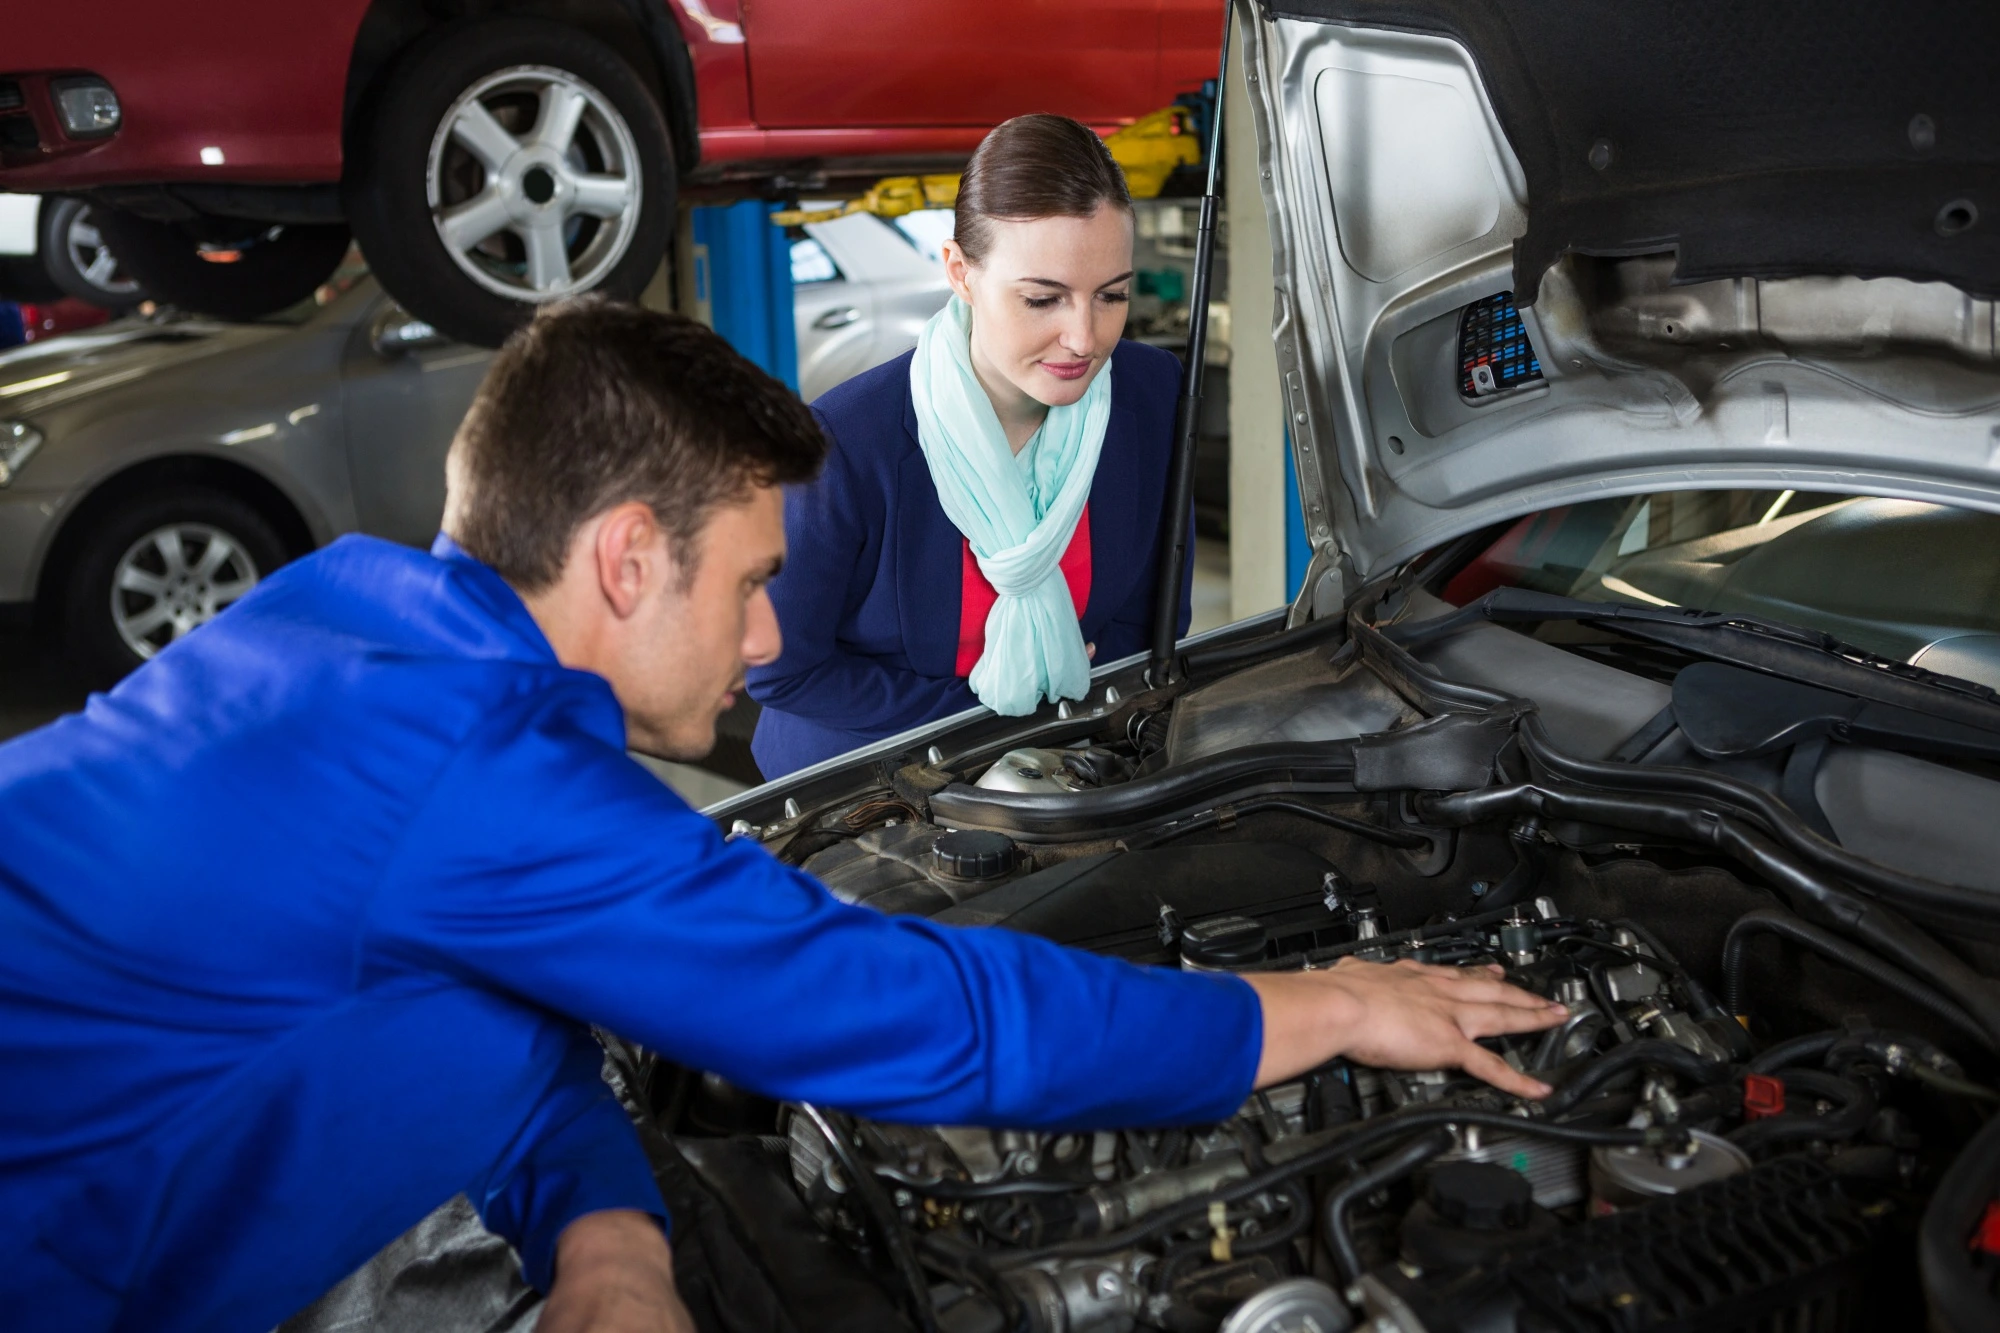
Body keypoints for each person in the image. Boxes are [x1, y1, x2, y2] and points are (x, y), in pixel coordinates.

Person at [0, 300, 1566, 1333]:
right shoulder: (465, 763)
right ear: (626, 558)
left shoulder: (355, 627)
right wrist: (1333, 1000)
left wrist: (604, 1234)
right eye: (752, 580)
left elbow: (482, 1017)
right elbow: (897, 1016)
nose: (768, 641)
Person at [748, 114, 1193, 778]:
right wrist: (1003, 724)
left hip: (1072, 763)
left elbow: (1150, 621)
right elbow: (782, 672)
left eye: (1112, 295)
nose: (1084, 337)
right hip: (866, 787)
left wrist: (1080, 735)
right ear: (959, 272)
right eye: (1043, 299)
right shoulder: (846, 444)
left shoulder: (1150, 395)